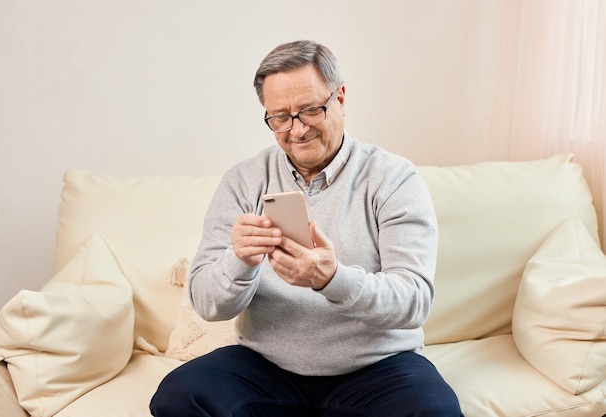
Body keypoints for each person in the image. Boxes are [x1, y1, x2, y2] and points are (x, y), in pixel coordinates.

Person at [150, 40, 463, 417]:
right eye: (280, 117)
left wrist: (331, 278)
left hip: (377, 368)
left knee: (434, 410)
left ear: (341, 98)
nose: (297, 130)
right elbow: (206, 304)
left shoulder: (393, 179)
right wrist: (240, 262)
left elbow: (413, 302)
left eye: (310, 110)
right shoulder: (243, 181)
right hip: (266, 368)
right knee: (178, 395)